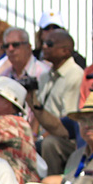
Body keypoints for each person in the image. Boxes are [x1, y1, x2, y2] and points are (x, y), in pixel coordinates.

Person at [31, 29, 85, 171]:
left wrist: (41, 139)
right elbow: (39, 112)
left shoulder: (75, 75)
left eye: (49, 44)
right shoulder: (45, 75)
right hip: (44, 133)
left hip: (64, 137)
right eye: (43, 43)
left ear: (65, 51)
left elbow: (69, 121)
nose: (44, 47)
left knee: (49, 144)